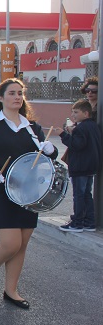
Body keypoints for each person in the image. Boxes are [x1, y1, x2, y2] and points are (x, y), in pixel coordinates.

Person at [0, 78, 58, 310]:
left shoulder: (32, 127)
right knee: (10, 244)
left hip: (29, 193)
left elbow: (46, 157)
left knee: (22, 244)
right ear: (1, 98)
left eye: (20, 93)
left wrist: (51, 150)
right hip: (1, 191)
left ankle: (11, 290)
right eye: (12, 93)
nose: (17, 97)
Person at [58, 99, 101, 232]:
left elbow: (77, 145)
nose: (73, 115)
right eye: (72, 112)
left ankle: (77, 223)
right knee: (87, 194)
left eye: (76, 112)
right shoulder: (93, 126)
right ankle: (89, 222)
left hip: (80, 167)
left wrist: (63, 135)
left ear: (86, 113)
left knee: (79, 195)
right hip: (90, 166)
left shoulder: (81, 128)